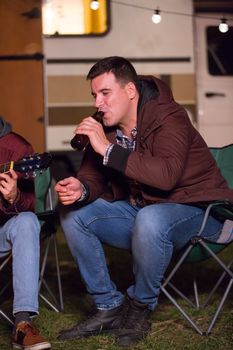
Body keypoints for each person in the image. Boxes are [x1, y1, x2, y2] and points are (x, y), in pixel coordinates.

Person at [55, 56, 233, 347]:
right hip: (145, 214)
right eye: (94, 95)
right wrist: (81, 188)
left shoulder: (169, 116)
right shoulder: (107, 127)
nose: (98, 103)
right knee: (74, 214)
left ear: (130, 91)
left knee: (150, 219)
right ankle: (107, 305)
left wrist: (107, 149)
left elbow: (166, 177)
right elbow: (92, 176)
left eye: (105, 93)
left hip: (202, 212)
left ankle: (139, 307)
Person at [0, 117, 51, 350]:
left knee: (27, 221)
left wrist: (13, 198)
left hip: (4, 230)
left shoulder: (17, 149)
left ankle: (22, 323)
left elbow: (36, 203)